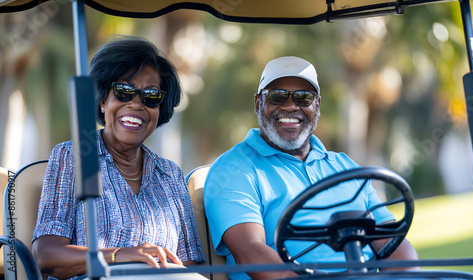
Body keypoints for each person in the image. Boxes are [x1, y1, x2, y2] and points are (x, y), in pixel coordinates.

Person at [204, 56, 418, 279]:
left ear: (317, 106)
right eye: (277, 96)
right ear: (258, 103)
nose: (290, 106)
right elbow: (250, 252)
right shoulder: (233, 170)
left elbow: (390, 239)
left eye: (303, 97)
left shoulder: (343, 165)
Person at [32, 36, 205, 280]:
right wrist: (118, 255)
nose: (136, 104)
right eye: (124, 91)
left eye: (151, 96)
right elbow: (47, 256)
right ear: (103, 100)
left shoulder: (170, 174)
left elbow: (190, 264)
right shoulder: (74, 156)